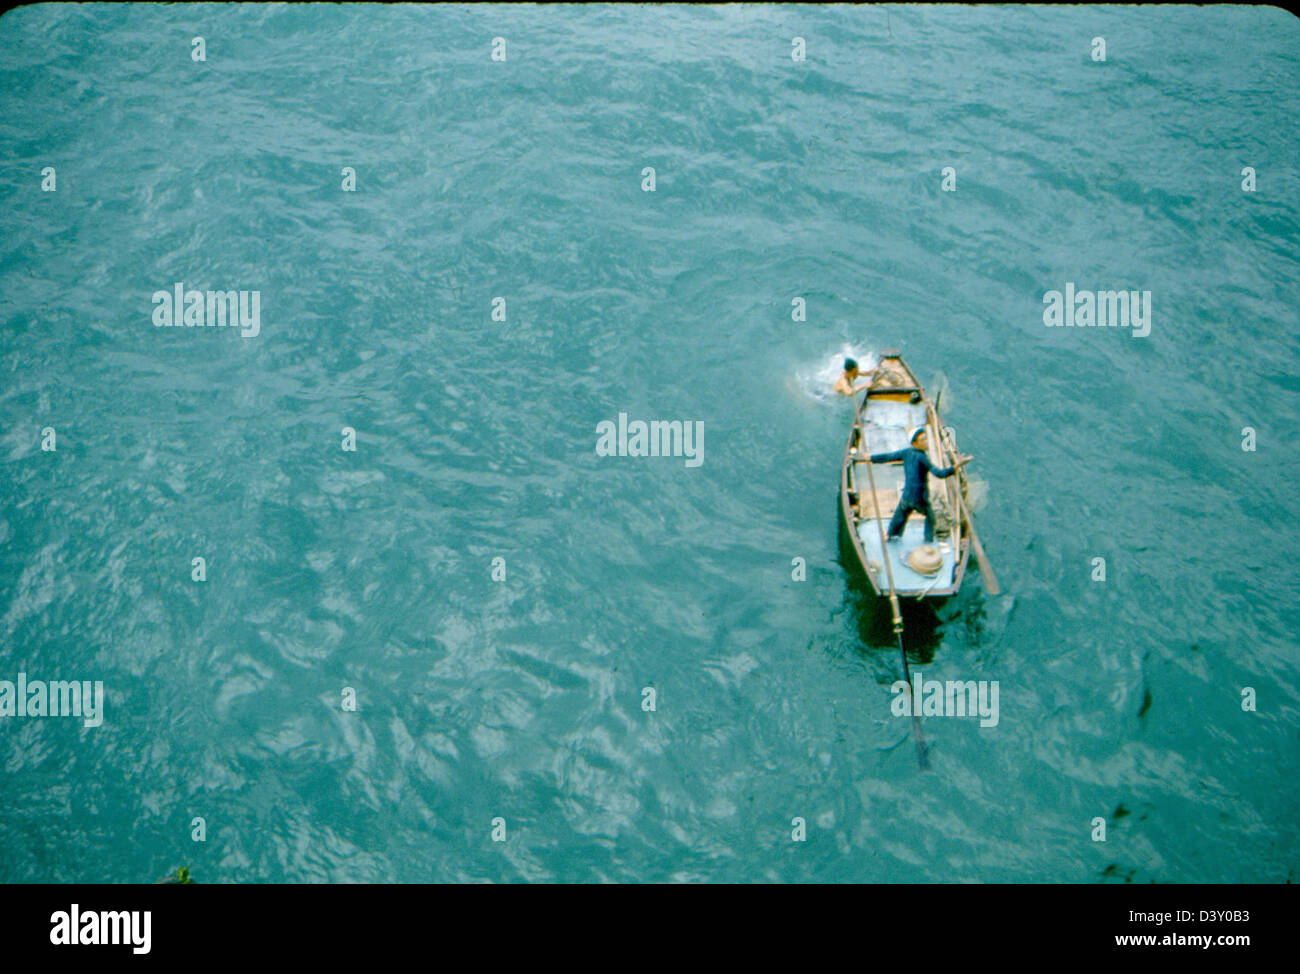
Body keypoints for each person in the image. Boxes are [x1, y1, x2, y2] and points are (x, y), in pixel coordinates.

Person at [869, 427, 970, 543]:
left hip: (907, 495)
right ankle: (928, 540)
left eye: (926, 438)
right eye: (923, 440)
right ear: (915, 443)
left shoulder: (906, 452)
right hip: (919, 498)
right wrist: (956, 466)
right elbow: (939, 474)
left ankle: (891, 535)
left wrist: (870, 458)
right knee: (930, 517)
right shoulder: (923, 458)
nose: (926, 441)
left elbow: (888, 457)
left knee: (900, 515)